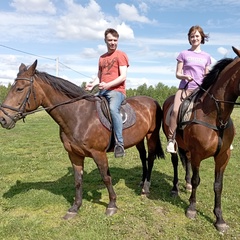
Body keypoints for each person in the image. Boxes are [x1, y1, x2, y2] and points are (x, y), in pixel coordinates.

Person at [166, 25, 212, 153]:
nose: (194, 38)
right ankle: (171, 139)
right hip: (185, 89)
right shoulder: (183, 54)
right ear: (189, 38)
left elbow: (206, 74)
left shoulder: (207, 56)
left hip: (201, 91)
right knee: (175, 111)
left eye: (197, 36)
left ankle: (223, 136)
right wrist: (185, 76)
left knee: (215, 108)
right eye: (192, 36)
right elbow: (177, 73)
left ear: (201, 37)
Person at [86, 28, 129, 158]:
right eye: (110, 40)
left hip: (117, 91)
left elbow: (123, 77)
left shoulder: (120, 55)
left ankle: (119, 143)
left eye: (115, 40)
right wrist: (92, 85)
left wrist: (108, 85)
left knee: (112, 109)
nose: (112, 43)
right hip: (102, 91)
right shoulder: (102, 58)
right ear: (105, 40)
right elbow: (100, 76)